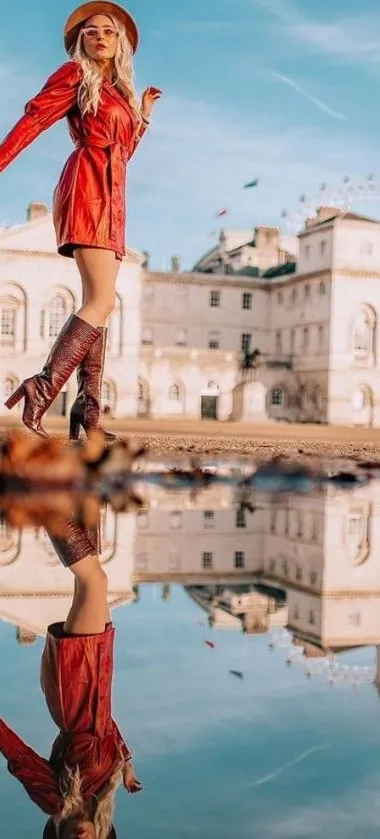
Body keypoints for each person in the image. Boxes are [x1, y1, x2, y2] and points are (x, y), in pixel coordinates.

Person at [1, 1, 161, 441]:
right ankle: (43, 388)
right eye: (90, 31)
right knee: (101, 302)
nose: (100, 36)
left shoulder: (117, 93)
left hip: (113, 194)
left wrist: (141, 117)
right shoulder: (74, 76)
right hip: (88, 187)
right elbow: (34, 119)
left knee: (102, 301)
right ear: (80, 41)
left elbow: (123, 153)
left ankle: (87, 416)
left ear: (120, 43)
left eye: (109, 31)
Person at [0, 515, 142, 838]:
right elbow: (107, 731)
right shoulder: (101, 789)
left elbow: (19, 756)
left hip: (74, 692)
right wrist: (126, 764)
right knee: (90, 577)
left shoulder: (55, 800)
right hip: (97, 678)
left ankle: (44, 501)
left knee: (94, 580)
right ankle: (80, 494)